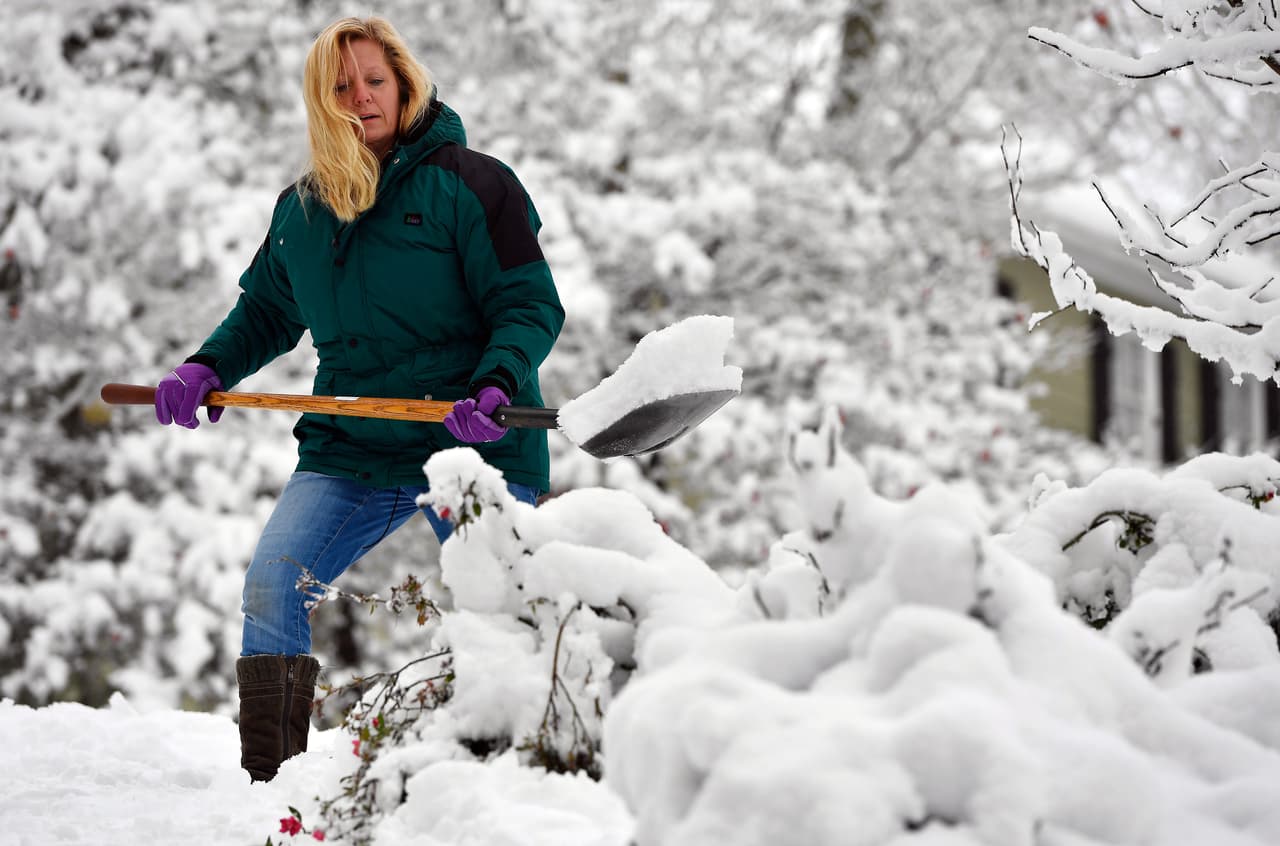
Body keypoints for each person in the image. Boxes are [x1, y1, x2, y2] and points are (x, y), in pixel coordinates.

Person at [153, 16, 564, 783]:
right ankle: (270, 789)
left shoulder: (474, 184)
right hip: (354, 443)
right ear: (320, 99)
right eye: (342, 86)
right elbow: (268, 313)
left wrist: (496, 382)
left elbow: (527, 302)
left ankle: (520, 785)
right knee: (274, 582)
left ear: (404, 83)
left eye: (375, 80)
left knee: (505, 612)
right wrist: (205, 369)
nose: (361, 97)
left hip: (474, 438)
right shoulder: (304, 209)